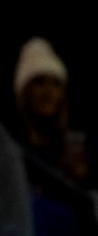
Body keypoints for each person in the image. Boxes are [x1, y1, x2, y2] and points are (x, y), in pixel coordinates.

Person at [12, 37, 91, 188]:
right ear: (24, 93)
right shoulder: (11, 149)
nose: (49, 92)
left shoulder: (80, 151)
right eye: (40, 82)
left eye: (56, 84)